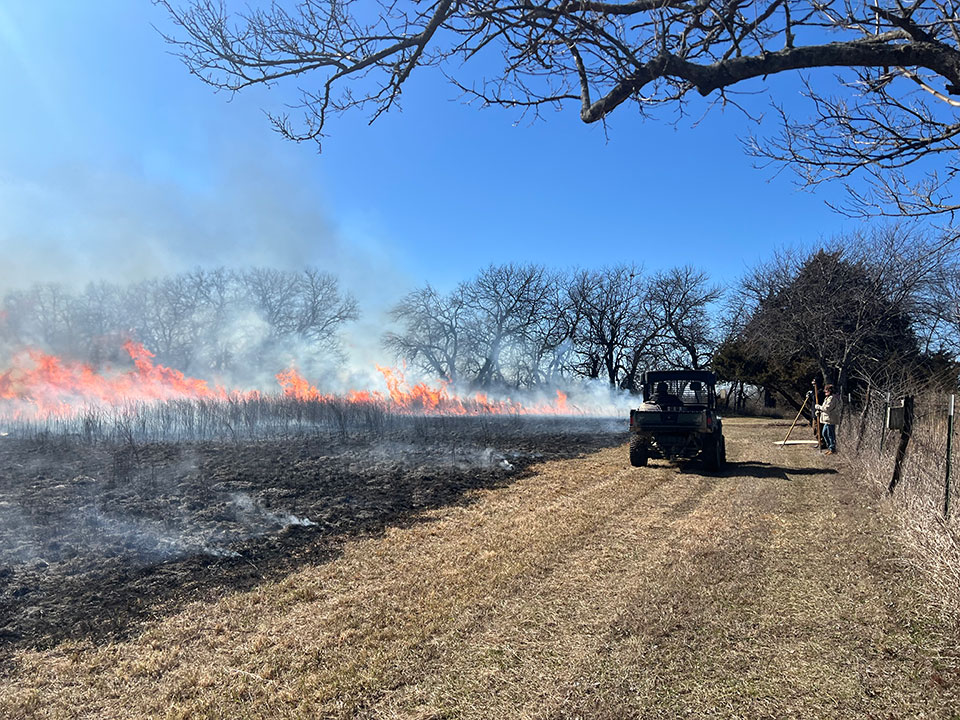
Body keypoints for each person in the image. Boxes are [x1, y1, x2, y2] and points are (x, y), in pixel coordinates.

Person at [815, 384, 841, 455]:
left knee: (830, 434)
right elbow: (824, 408)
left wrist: (819, 407)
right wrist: (819, 411)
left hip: (831, 420)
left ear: (830, 391)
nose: (825, 392)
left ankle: (832, 449)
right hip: (827, 419)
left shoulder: (832, 398)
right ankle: (830, 448)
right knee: (824, 433)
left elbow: (827, 408)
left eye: (826, 390)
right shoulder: (827, 398)